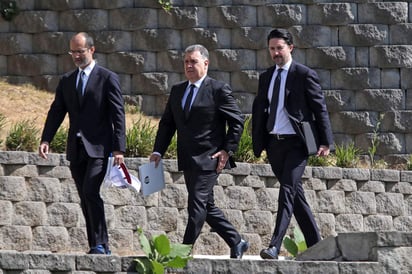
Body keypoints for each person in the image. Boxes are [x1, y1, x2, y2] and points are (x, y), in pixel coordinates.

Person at [149, 44, 249, 259]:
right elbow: (167, 124)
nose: (188, 65)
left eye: (193, 61)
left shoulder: (218, 89)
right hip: (187, 158)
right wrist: (158, 151)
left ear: (205, 63)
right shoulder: (178, 91)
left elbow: (237, 121)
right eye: (186, 62)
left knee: (196, 206)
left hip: (209, 159)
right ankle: (237, 241)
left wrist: (226, 150)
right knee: (206, 206)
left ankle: (183, 254)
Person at [39, 32, 126, 255]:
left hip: (100, 148)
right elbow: (57, 110)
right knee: (84, 196)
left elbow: (118, 115)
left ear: (92, 50)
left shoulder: (107, 78)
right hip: (76, 149)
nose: (76, 56)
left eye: (80, 51)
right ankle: (96, 244)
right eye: (73, 52)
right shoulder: (67, 80)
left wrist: (119, 148)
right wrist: (46, 138)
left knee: (90, 191)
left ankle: (100, 243)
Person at [252, 28, 334, 259]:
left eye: (280, 48)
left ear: (290, 48)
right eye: (272, 49)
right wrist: (258, 142)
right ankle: (317, 246)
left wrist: (326, 142)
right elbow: (259, 110)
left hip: (298, 144)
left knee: (287, 191)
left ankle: (274, 246)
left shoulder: (304, 74)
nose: (276, 53)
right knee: (296, 195)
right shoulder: (266, 77)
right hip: (274, 144)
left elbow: (320, 109)